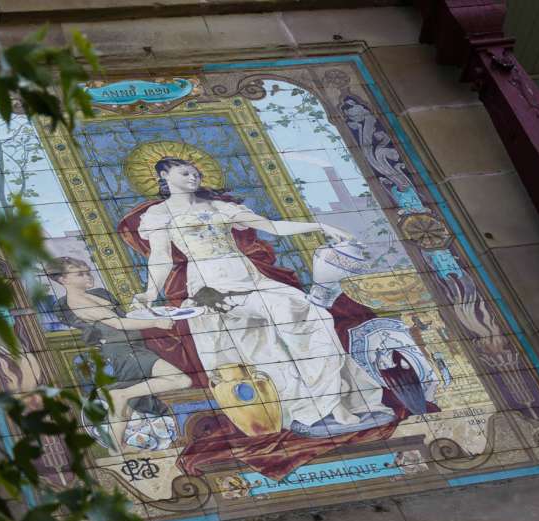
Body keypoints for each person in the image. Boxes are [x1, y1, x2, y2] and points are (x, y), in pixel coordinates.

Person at [129, 157, 393, 431]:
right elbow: (161, 257)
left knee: (312, 317)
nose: (194, 177)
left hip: (249, 278)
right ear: (164, 175)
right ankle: (313, 410)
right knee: (264, 345)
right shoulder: (159, 215)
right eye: (186, 173)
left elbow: (274, 227)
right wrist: (150, 292)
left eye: (196, 173)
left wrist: (321, 226)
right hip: (211, 286)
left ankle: (336, 399)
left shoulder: (220, 207)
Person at [47, 256, 192, 453]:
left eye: (87, 270)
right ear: (63, 280)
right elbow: (118, 324)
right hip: (124, 352)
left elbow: (120, 317)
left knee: (128, 404)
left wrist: (139, 310)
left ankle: (116, 446)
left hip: (128, 348)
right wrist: (156, 323)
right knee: (181, 380)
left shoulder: (93, 294)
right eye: (80, 273)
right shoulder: (79, 302)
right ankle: (119, 394)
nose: (87, 275)